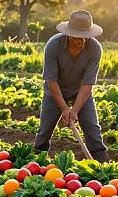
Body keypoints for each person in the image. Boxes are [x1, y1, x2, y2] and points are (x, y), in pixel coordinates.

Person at [34, 10, 107, 162]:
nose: (82, 41)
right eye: (78, 37)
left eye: (85, 36)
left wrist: (75, 110)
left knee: (93, 128)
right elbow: (51, 81)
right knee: (45, 130)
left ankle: (101, 164)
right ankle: (37, 162)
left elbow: (88, 84)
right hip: (55, 92)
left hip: (80, 93)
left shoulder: (94, 48)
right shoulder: (54, 46)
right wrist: (64, 109)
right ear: (68, 34)